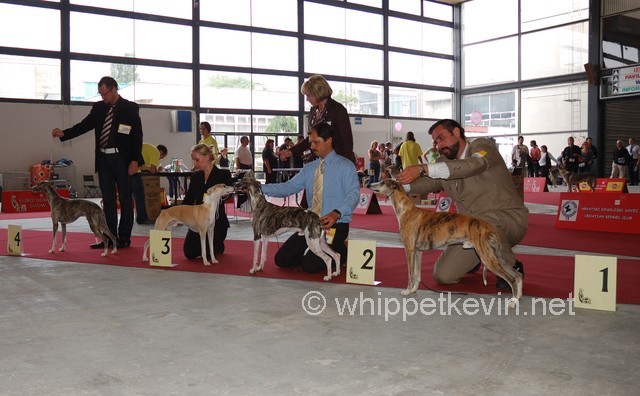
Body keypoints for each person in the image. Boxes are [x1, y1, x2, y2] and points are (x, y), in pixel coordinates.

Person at [396, 119, 527, 289]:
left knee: (483, 220)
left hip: (508, 221)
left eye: (441, 138)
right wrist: (398, 184)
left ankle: (511, 267)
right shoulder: (444, 162)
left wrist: (424, 168)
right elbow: (427, 183)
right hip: (470, 231)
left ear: (456, 132)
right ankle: (478, 255)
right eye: (435, 142)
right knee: (443, 275)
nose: (438, 145)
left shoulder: (483, 146)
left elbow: (474, 165)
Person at [51, 76, 142, 249]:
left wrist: (135, 160)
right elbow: (84, 125)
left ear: (114, 89)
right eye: (100, 94)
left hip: (122, 160)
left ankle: (124, 239)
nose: (103, 97)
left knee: (125, 200)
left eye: (105, 94)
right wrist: (64, 133)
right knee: (107, 202)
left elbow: (137, 135)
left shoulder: (130, 108)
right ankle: (109, 237)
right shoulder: (99, 108)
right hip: (103, 159)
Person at [261, 122, 360, 274]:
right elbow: (287, 187)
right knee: (282, 260)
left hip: (335, 224)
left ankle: (342, 250)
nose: (312, 146)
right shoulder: (309, 168)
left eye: (316, 142)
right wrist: (259, 187)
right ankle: (318, 252)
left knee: (310, 266)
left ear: (329, 140)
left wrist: (336, 213)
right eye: (311, 142)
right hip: (309, 223)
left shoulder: (346, 166)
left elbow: (354, 195)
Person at [279, 74, 356, 165]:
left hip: (338, 162)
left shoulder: (338, 110)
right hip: (319, 163)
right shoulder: (312, 112)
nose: (307, 99)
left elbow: (346, 143)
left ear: (318, 93)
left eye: (309, 95)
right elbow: (310, 139)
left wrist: (345, 166)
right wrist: (291, 151)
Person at [182, 144, 233, 260]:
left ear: (207, 157)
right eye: (193, 160)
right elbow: (188, 200)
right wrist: (175, 212)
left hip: (217, 221)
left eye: (197, 159)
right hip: (198, 220)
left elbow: (228, 196)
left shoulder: (223, 175)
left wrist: (222, 194)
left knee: (209, 254)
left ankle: (218, 245)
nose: (194, 163)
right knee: (189, 253)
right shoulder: (195, 177)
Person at [131, 142, 161, 224]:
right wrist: (158, 169)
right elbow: (153, 170)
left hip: (127, 169)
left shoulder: (148, 148)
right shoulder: (156, 152)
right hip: (135, 171)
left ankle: (130, 218)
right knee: (139, 195)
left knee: (127, 196)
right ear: (162, 153)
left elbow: (144, 166)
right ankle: (142, 218)